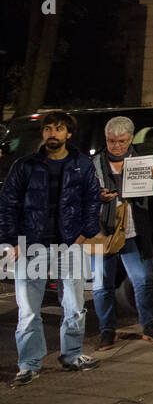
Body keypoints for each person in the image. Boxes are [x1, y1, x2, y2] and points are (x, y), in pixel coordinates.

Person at [0, 111, 102, 384]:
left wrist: (84, 233)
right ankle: (29, 363)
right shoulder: (25, 165)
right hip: (31, 245)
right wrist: (11, 240)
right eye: (48, 129)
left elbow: (93, 199)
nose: (52, 133)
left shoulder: (82, 164)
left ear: (68, 133)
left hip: (69, 245)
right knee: (29, 310)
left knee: (74, 305)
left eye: (58, 129)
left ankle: (72, 354)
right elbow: (8, 203)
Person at [89, 117, 153, 349]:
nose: (116, 146)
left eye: (122, 141)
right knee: (102, 284)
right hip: (104, 231)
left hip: (135, 231)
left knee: (143, 281)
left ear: (131, 139)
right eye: (111, 141)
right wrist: (98, 197)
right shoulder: (93, 164)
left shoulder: (142, 162)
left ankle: (149, 324)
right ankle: (107, 330)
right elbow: (80, 197)